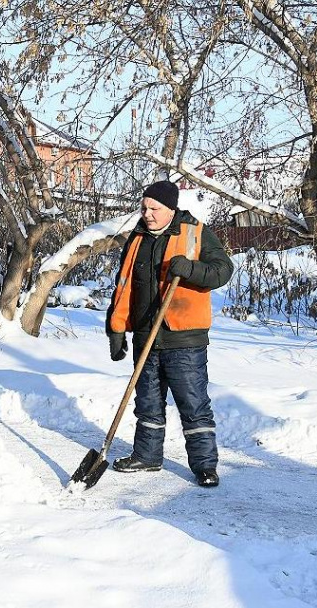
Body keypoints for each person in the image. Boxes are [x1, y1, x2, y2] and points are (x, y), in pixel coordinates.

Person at [105, 179, 233, 487]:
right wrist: (117, 328)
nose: (147, 214)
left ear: (170, 208)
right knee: (147, 401)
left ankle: (204, 465)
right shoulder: (136, 240)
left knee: (192, 403)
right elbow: (123, 287)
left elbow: (223, 270)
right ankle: (147, 456)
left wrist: (191, 269)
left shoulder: (194, 233)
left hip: (184, 336)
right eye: (144, 207)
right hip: (146, 335)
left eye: (154, 208)